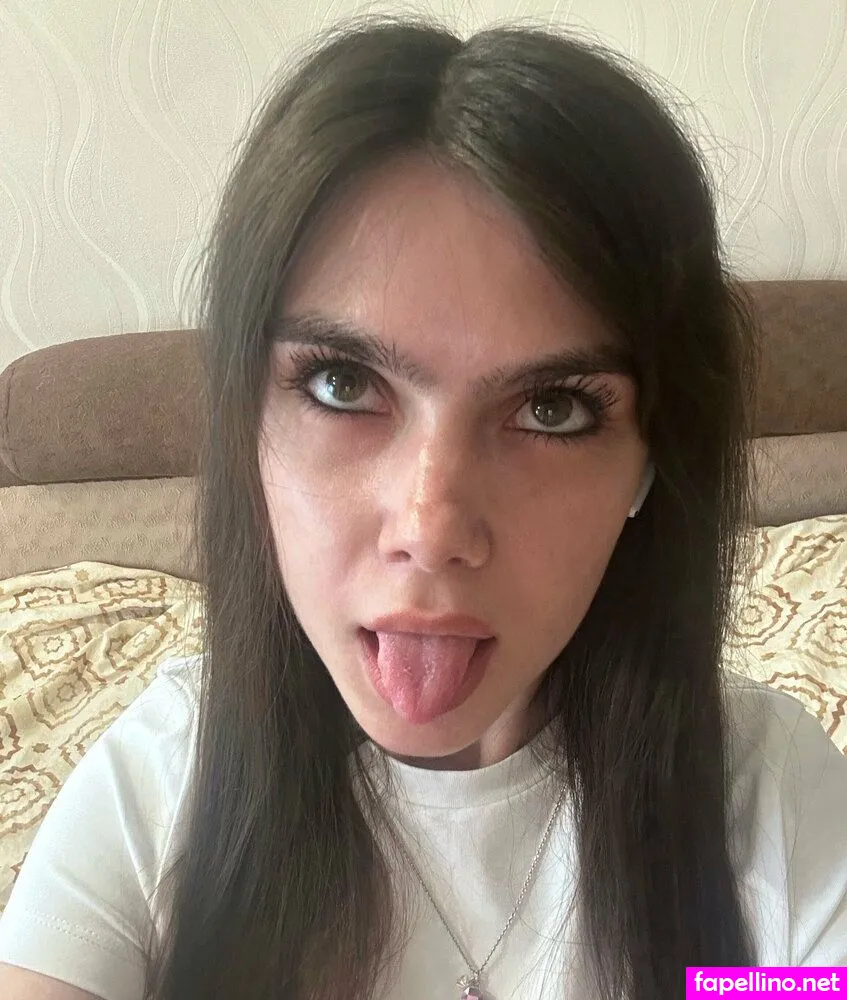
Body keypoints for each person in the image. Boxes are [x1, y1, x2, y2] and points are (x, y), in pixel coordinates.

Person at [1, 13, 846, 1000]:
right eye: (342, 385)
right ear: (245, 427)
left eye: (552, 408)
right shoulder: (166, 775)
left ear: (649, 465)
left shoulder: (762, 790)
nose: (430, 529)